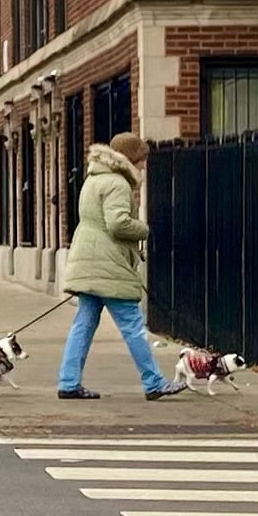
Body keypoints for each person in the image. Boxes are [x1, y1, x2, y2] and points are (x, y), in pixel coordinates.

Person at [57, 131, 174, 401]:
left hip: (88, 260)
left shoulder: (93, 179)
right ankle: (154, 382)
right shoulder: (118, 184)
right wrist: (143, 229)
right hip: (108, 265)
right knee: (132, 324)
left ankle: (68, 381)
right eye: (142, 160)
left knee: (83, 324)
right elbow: (118, 222)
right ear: (131, 158)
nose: (144, 165)